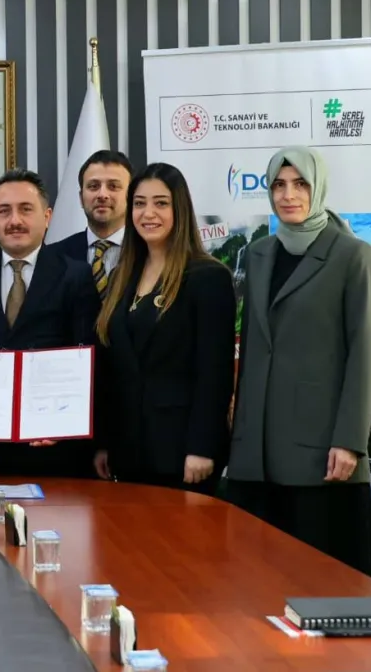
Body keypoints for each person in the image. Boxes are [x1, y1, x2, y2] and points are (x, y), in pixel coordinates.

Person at [226, 146, 371, 575]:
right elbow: (254, 347)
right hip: (256, 453)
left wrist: (350, 441)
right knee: (255, 581)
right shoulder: (259, 254)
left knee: (322, 581)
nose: (288, 195)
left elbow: (363, 351)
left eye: (300, 184)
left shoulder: (352, 255)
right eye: (278, 185)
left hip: (321, 452)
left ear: (318, 188)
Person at [93, 162, 235, 494]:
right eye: (139, 203)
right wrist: (104, 443)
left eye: (161, 203)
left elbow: (215, 373)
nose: (148, 213)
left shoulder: (207, 277)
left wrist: (202, 447)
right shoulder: (122, 276)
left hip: (182, 453)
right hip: (128, 451)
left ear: (179, 210)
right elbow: (114, 368)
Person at [0, 170, 100, 476]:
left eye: (26, 209)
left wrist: (65, 422)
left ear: (47, 217)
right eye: (4, 211)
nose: (15, 220)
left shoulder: (75, 275)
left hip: (53, 448)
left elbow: (88, 357)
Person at [48, 150, 132, 297]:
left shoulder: (150, 253)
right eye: (93, 186)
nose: (102, 195)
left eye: (113, 186)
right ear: (81, 198)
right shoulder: (53, 257)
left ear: (131, 196)